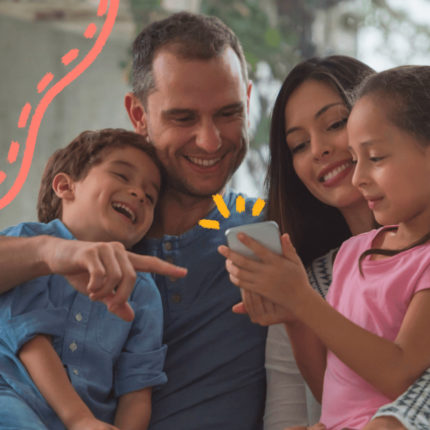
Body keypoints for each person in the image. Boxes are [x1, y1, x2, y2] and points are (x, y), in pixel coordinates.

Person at [0, 12, 266, 430]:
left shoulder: (267, 231)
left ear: (249, 102)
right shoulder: (90, 225)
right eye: (184, 117)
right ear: (138, 114)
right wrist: (55, 251)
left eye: (229, 113)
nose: (210, 140)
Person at [219, 65, 430, 429]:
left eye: (335, 124)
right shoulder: (350, 255)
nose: (320, 150)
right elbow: (329, 390)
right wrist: (294, 316)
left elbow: (400, 373)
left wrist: (303, 302)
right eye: (299, 144)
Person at [0, 128, 185, 429]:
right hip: (12, 396)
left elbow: (137, 390)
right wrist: (79, 418)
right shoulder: (27, 246)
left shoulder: (144, 294)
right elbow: (30, 341)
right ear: (65, 185)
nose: (139, 194)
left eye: (150, 197)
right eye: (122, 176)